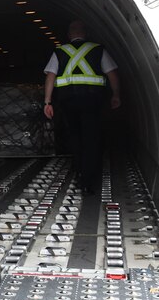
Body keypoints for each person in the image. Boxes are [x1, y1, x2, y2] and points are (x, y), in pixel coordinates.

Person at [43, 19, 121, 194]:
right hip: (92, 100)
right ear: (85, 34)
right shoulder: (98, 49)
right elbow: (112, 74)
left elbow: (50, 77)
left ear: (69, 35)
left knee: (75, 136)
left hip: (68, 100)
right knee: (91, 137)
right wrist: (116, 95)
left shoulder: (60, 51)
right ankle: (88, 178)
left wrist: (47, 102)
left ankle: (79, 170)